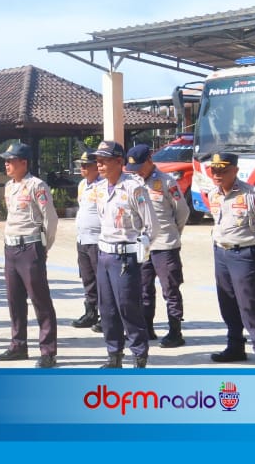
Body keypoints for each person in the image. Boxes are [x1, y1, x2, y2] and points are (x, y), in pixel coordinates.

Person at [205, 152, 255, 368]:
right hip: (221, 253)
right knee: (227, 302)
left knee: (249, 304)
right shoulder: (213, 195)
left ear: (235, 171)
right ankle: (235, 347)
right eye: (214, 170)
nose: (217, 175)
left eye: (223, 170)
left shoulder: (251, 194)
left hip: (243, 254)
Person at [0, 143, 59, 368]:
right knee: (14, 300)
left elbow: (50, 219)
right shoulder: (10, 186)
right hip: (11, 249)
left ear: (24, 162)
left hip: (30, 248)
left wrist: (43, 249)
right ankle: (18, 345)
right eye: (6, 160)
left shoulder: (37, 186)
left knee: (40, 301)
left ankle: (48, 351)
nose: (7, 164)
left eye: (11, 161)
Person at [93, 140, 157, 369]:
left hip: (125, 257)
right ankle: (114, 356)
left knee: (128, 308)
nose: (99, 165)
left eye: (104, 160)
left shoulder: (134, 188)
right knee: (107, 309)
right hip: (105, 255)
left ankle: (139, 357)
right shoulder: (99, 188)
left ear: (119, 162)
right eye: (98, 160)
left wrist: (142, 249)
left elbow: (151, 225)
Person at [125, 144, 190, 348]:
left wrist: (172, 233)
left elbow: (182, 212)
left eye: (140, 167)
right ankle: (147, 328)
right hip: (143, 245)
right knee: (143, 289)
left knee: (170, 289)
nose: (138, 172)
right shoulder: (132, 181)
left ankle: (175, 331)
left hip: (165, 244)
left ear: (150, 161)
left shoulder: (167, 182)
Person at [73, 150, 102, 331]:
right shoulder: (83, 184)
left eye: (86, 165)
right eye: (80, 165)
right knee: (87, 278)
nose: (82, 168)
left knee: (102, 280)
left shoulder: (103, 185)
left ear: (96, 167)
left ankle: (106, 316)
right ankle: (91, 312)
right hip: (83, 239)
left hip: (98, 240)